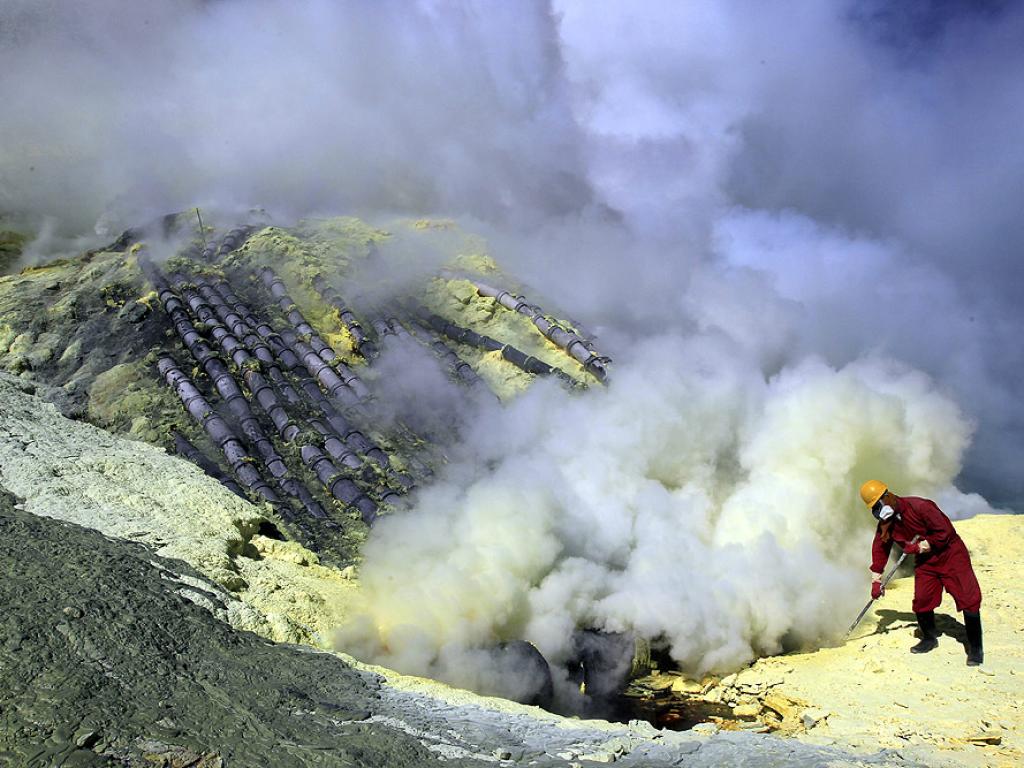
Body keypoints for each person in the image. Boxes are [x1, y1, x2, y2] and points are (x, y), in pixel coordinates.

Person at [859, 480, 984, 666]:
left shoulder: (921, 507)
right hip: (926, 563)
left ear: (888, 495)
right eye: (875, 507)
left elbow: (945, 532)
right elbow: (880, 548)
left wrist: (920, 546)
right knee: (923, 600)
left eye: (879, 503)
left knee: (968, 596)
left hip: (950, 554)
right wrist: (876, 579)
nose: (879, 509)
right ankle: (929, 639)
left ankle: (975, 649)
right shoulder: (887, 523)